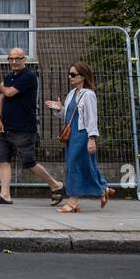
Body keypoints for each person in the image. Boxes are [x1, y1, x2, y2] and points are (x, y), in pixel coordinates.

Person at [0, 47, 65, 204]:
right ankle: (5, 195)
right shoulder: (9, 77)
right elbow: (1, 98)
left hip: (24, 128)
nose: (14, 62)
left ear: (24, 60)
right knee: (3, 159)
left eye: (18, 58)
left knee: (29, 162)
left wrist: (1, 87)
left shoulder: (29, 76)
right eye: (11, 59)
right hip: (5, 126)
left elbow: (8, 93)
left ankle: (55, 185)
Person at [45, 62, 116, 214]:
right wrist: (59, 109)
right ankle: (104, 189)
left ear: (83, 76)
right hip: (72, 135)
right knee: (86, 165)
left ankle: (73, 202)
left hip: (82, 135)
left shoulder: (88, 95)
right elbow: (67, 116)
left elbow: (91, 118)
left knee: (74, 166)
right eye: (69, 74)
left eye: (73, 74)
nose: (70, 77)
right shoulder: (72, 93)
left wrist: (92, 138)